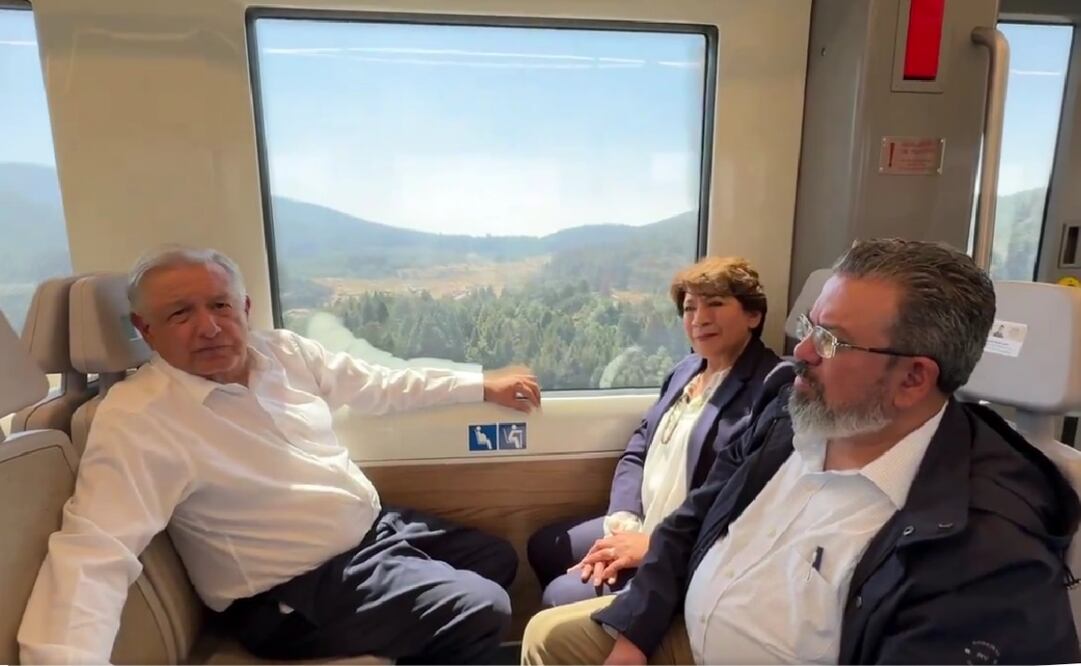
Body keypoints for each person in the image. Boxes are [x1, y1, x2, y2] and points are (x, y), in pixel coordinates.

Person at [522, 238, 1081, 665]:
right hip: (692, 632)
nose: (802, 353)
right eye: (810, 327)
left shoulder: (985, 550)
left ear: (913, 378)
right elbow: (693, 518)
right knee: (549, 638)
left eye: (832, 340)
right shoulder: (794, 410)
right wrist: (637, 633)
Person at [17, 246, 541, 665]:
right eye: (180, 313)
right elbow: (96, 548)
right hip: (290, 594)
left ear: (244, 308)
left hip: (372, 536)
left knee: (496, 559)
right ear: (146, 329)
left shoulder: (283, 353)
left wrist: (479, 384)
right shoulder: (138, 418)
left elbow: (380, 385)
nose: (209, 326)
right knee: (480, 608)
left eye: (220, 305)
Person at [527, 257, 782, 608]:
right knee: (545, 545)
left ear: (753, 315)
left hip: (686, 546)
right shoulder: (686, 371)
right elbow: (640, 445)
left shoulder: (770, 387)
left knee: (561, 595)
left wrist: (653, 543)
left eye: (716, 304)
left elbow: (741, 499)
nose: (699, 319)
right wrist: (625, 520)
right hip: (643, 521)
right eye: (690, 308)